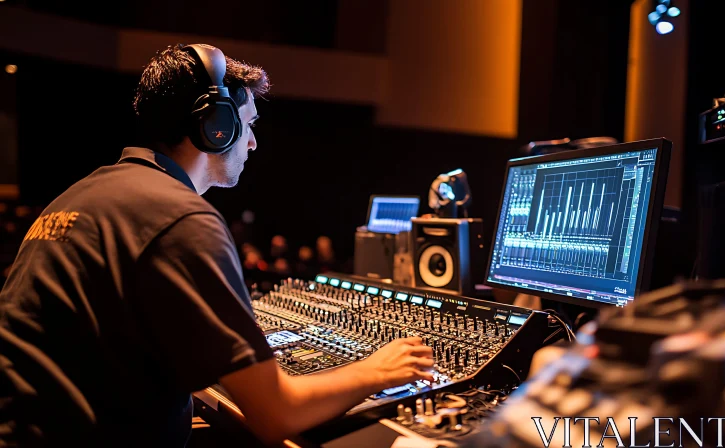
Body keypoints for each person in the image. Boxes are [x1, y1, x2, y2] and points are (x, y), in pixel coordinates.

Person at [0, 43, 433, 447]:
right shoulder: (180, 217)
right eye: (248, 125)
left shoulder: (78, 196)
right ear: (216, 126)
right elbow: (277, 414)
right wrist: (376, 370)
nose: (253, 141)